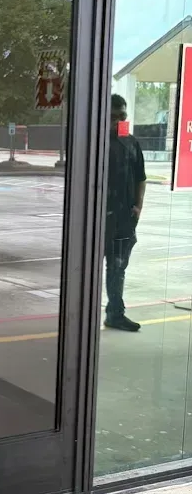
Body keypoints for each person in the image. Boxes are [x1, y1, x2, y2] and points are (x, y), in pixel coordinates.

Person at [104, 93, 146, 332]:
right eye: (113, 117)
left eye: (122, 116)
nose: (118, 121)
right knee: (90, 269)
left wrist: (138, 206)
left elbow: (141, 177)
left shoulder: (131, 143)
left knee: (118, 268)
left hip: (124, 219)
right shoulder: (95, 142)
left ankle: (115, 314)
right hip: (99, 220)